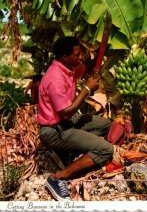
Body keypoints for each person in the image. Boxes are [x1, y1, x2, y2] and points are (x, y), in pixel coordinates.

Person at [37, 36, 114, 201]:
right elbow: (66, 112)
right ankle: (57, 178)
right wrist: (86, 89)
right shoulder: (55, 78)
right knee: (106, 150)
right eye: (77, 55)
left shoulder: (68, 67)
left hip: (66, 123)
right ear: (65, 57)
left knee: (108, 125)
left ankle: (68, 152)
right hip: (54, 131)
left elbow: (86, 69)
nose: (81, 57)